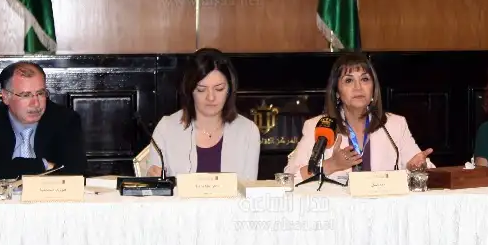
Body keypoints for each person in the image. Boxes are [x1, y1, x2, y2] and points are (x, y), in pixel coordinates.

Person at [285, 51, 432, 182]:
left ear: (373, 89)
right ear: (337, 93)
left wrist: (417, 168)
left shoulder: (395, 125)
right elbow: (289, 177)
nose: (358, 87)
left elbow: (424, 167)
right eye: (349, 80)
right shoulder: (318, 126)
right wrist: (331, 165)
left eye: (365, 79)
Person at [143, 49, 261, 180]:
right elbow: (155, 184)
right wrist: (153, 178)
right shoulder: (166, 129)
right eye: (201, 89)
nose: (211, 97)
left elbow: (249, 188)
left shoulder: (248, 132)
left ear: (230, 89)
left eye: (219, 89)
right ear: (190, 90)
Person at [0, 61, 86, 185]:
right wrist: (43, 165)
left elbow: (76, 173)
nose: (36, 103)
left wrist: (10, 168)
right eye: (26, 95)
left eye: (40, 93)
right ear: (6, 96)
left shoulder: (65, 120)